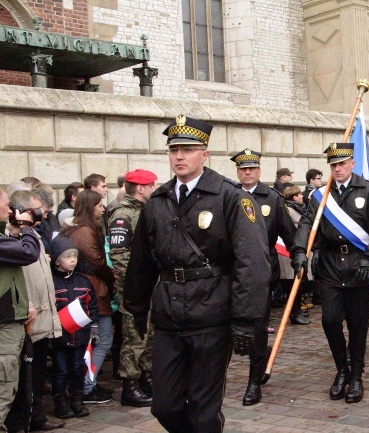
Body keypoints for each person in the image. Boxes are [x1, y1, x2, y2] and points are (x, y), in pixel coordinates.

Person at [124, 115, 271, 433]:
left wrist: (246, 319)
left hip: (212, 316)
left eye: (189, 149)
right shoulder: (157, 202)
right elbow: (141, 262)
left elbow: (253, 263)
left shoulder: (230, 197)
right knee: (164, 406)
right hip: (169, 318)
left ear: (205, 154)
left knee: (204, 414)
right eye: (174, 149)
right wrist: (136, 308)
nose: (180, 156)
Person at [292, 142, 369, 404]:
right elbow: (306, 224)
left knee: (358, 325)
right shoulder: (320, 195)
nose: (337, 169)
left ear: (352, 163)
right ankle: (342, 369)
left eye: (341, 164)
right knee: (330, 320)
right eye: (333, 165)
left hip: (360, 266)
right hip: (331, 267)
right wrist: (300, 251)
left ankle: (356, 376)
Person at [231, 148, 298, 406]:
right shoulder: (229, 196)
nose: (247, 173)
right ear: (238, 172)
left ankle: (253, 382)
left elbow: (288, 233)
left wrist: (298, 255)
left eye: (252, 168)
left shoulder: (271, 198)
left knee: (256, 328)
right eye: (242, 169)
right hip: (231, 272)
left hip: (261, 273)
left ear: (259, 171)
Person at [4, 191, 65, 432]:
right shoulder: (11, 237)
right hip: (27, 314)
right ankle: (21, 417)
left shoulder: (33, 234)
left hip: (41, 312)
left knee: (37, 369)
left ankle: (34, 413)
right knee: (21, 373)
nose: (42, 215)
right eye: (36, 211)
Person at [58, 190, 115, 404]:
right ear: (91, 207)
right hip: (92, 292)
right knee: (103, 339)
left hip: (84, 292)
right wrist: (113, 278)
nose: (103, 209)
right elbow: (99, 263)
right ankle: (86, 387)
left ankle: (86, 384)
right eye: (100, 205)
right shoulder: (85, 232)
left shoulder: (72, 229)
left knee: (93, 341)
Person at [108, 169, 159, 407]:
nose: (154, 189)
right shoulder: (123, 214)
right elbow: (120, 255)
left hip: (147, 283)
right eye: (151, 185)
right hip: (132, 286)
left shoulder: (143, 211)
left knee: (147, 333)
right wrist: (136, 282)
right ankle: (130, 385)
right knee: (134, 334)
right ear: (140, 188)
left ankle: (145, 376)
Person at [49, 236, 98, 420]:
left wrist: (94, 328)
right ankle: (60, 402)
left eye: (74, 256)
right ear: (57, 260)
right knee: (61, 370)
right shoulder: (52, 282)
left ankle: (77, 400)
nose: (72, 260)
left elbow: (91, 306)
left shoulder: (84, 281)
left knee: (78, 368)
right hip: (60, 337)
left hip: (81, 335)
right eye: (67, 257)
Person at [281, 185, 312, 320]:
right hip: (290, 250)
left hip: (299, 248)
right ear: (294, 197)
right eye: (299, 195)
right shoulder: (288, 209)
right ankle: (295, 311)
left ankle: (298, 308)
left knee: (299, 281)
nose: (302, 197)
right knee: (292, 282)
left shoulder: (299, 208)